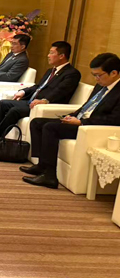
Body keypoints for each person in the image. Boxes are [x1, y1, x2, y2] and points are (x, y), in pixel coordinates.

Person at [22, 53, 120, 189]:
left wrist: (81, 122)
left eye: (99, 75)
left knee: (50, 128)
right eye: (94, 75)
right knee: (37, 123)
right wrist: (71, 116)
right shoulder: (101, 86)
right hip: (80, 121)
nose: (96, 79)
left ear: (114, 73)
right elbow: (87, 106)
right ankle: (42, 165)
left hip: (92, 128)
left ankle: (50, 176)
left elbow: (114, 119)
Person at [0, 41, 81, 151]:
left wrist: (45, 101)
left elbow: (61, 91)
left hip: (43, 106)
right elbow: (38, 87)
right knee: (3, 103)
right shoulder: (50, 71)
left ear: (61, 56)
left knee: (14, 110)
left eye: (52, 53)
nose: (48, 55)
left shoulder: (72, 73)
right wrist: (23, 91)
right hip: (31, 101)